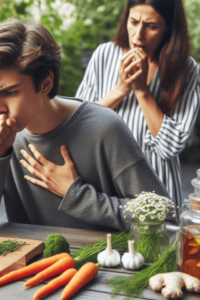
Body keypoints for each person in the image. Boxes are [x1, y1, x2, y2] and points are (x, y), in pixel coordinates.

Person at [0, 19, 172, 232]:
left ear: (45, 83)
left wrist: (76, 195)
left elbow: (164, 216)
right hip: (32, 262)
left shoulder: (104, 128)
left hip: (106, 263)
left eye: (10, 92)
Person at [76, 0, 200, 215]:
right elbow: (77, 126)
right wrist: (121, 90)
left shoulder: (186, 69)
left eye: (151, 26)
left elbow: (170, 147)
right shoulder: (105, 54)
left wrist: (142, 90)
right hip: (105, 194)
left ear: (168, 28)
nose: (138, 35)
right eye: (133, 22)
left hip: (158, 199)